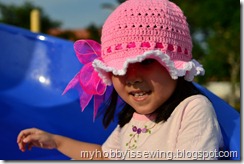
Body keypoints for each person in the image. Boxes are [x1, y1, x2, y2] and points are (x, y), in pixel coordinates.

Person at [17, 0, 224, 160]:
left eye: (145, 62)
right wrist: (56, 142)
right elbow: (106, 157)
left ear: (174, 65)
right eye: (119, 68)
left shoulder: (192, 110)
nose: (131, 77)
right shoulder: (134, 118)